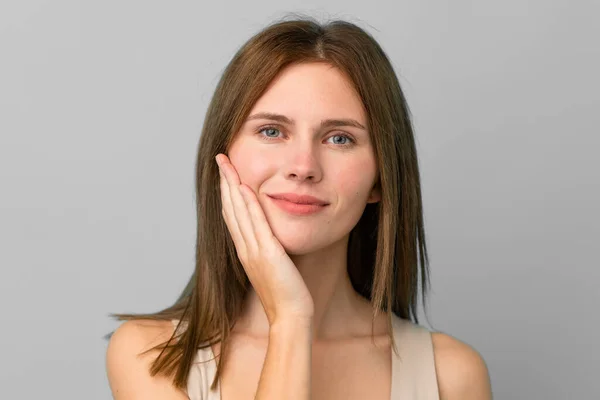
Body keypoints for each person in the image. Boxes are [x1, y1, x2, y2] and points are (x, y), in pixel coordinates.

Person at [105, 14, 493, 400]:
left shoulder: (451, 376)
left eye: (339, 138)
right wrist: (290, 320)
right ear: (223, 158)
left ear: (380, 178)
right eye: (271, 131)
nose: (303, 167)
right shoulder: (150, 356)